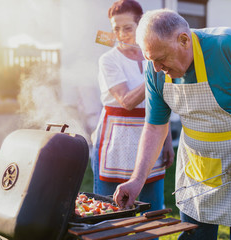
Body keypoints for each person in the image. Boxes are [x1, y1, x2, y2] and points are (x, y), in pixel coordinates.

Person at [113, 9, 231, 240]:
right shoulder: (155, 68)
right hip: (197, 168)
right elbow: (155, 125)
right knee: (194, 236)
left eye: (161, 59)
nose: (157, 68)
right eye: (151, 60)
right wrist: (136, 180)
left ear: (183, 40)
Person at [91, 0, 174, 212]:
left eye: (127, 28)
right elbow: (127, 101)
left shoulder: (151, 58)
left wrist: (166, 140)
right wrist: (157, 70)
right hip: (116, 139)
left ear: (140, 25)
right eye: (115, 29)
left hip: (150, 135)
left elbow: (161, 102)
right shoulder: (108, 59)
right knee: (110, 211)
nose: (121, 34)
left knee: (151, 209)